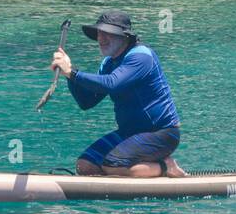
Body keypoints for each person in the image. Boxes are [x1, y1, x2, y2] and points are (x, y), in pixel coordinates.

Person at [50, 11, 187, 178]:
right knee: (85, 166)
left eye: (108, 33)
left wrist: (72, 73)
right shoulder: (109, 63)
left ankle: (165, 166)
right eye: (100, 33)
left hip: (161, 133)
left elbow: (112, 83)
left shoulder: (141, 56)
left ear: (124, 36)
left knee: (112, 165)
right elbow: (86, 102)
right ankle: (128, 175)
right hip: (129, 132)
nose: (101, 38)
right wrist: (68, 76)